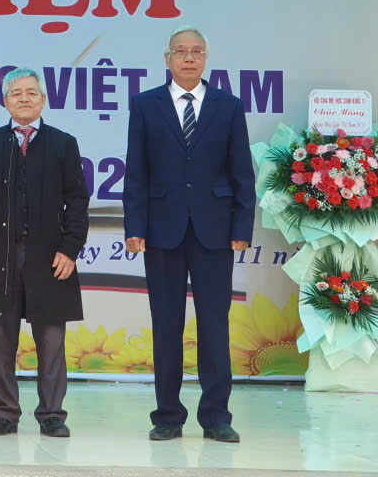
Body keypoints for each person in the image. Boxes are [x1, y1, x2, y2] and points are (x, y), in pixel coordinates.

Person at [123, 26, 255, 444]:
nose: (189, 58)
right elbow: (136, 171)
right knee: (166, 325)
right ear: (167, 59)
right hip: (161, 230)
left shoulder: (228, 106)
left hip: (215, 231)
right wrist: (134, 227)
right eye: (181, 51)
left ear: (206, 58)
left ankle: (216, 417)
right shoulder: (145, 105)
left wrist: (242, 226)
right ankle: (167, 416)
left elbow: (242, 172)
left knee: (214, 325)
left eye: (197, 51)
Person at [0, 67, 89, 438]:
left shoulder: (63, 144)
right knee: (0, 339)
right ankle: (3, 413)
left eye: (31, 92)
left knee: (51, 341)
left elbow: (77, 201)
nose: (24, 98)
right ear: (5, 101)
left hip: (50, 258)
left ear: (43, 100)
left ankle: (52, 414)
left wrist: (70, 249)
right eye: (16, 93)